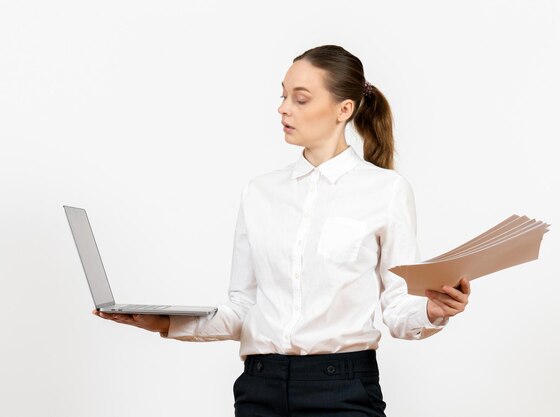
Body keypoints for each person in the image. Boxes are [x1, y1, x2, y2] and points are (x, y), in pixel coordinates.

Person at [93, 44, 471, 417]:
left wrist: (433, 310)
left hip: (342, 389)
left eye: (301, 99)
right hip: (260, 387)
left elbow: (398, 308)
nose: (283, 108)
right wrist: (160, 322)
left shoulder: (386, 192)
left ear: (344, 110)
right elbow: (243, 308)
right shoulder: (260, 192)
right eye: (284, 95)